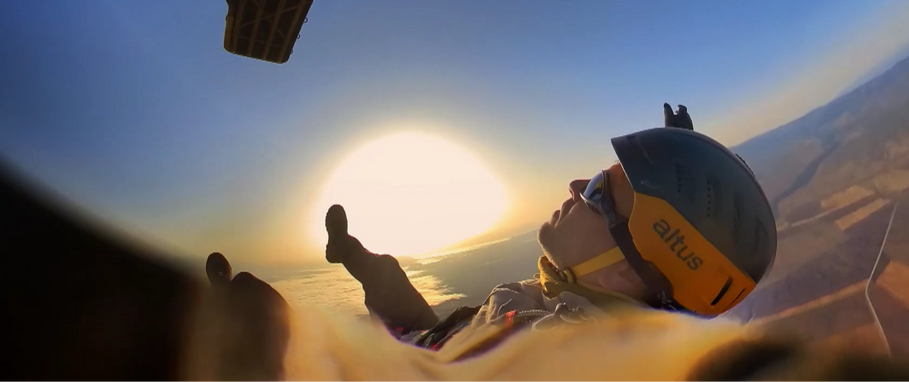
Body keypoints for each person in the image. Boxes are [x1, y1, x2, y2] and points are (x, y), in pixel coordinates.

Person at [210, 103, 778, 358]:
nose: (577, 184)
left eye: (600, 193)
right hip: (443, 340)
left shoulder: (553, 359)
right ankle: (348, 252)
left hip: (426, 355)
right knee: (384, 275)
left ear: (631, 268)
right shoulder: (577, 302)